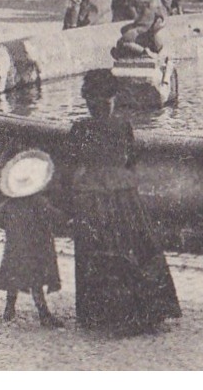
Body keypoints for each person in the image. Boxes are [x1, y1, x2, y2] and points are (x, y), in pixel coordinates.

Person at [60, 70, 181, 335]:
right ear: (113, 99)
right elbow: (131, 160)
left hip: (91, 196)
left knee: (95, 250)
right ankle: (143, 308)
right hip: (123, 195)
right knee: (135, 245)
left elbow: (70, 164)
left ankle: (99, 312)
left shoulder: (80, 129)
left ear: (86, 101)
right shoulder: (122, 126)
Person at [0, 149, 65, 327]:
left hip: (15, 247)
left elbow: (0, 221)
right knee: (36, 282)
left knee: (13, 278)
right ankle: (44, 314)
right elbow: (54, 217)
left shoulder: (7, 205)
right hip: (36, 247)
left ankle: (9, 310)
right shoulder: (39, 202)